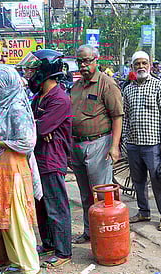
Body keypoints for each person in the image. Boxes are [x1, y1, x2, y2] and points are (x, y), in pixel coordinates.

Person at [0, 68, 43, 274]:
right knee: (6, 220)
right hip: (1, 169)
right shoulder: (5, 108)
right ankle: (16, 261)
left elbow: (27, 142)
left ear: (9, 87)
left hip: (13, 170)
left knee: (18, 220)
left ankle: (32, 268)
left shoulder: (16, 109)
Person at [70, 45, 123, 243]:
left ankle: (106, 235)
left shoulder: (106, 84)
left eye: (87, 61)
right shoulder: (76, 86)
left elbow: (117, 116)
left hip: (99, 144)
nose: (83, 65)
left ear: (96, 60)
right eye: (80, 61)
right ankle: (89, 232)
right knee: (84, 195)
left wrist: (114, 146)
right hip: (77, 145)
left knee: (102, 195)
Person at [27, 49, 73, 268]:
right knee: (42, 206)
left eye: (33, 69)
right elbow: (33, 126)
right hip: (38, 157)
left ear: (45, 71)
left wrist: (38, 127)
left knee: (56, 206)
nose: (29, 74)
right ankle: (48, 243)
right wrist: (37, 126)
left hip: (52, 159)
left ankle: (63, 251)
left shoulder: (60, 99)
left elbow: (39, 128)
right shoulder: (39, 97)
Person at [123, 51, 161, 231]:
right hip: (134, 144)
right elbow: (126, 117)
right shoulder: (128, 89)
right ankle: (144, 211)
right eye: (137, 64)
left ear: (150, 65)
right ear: (133, 67)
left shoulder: (159, 86)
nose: (141, 67)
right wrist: (125, 140)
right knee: (138, 181)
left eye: (144, 63)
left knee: (157, 180)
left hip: (153, 144)